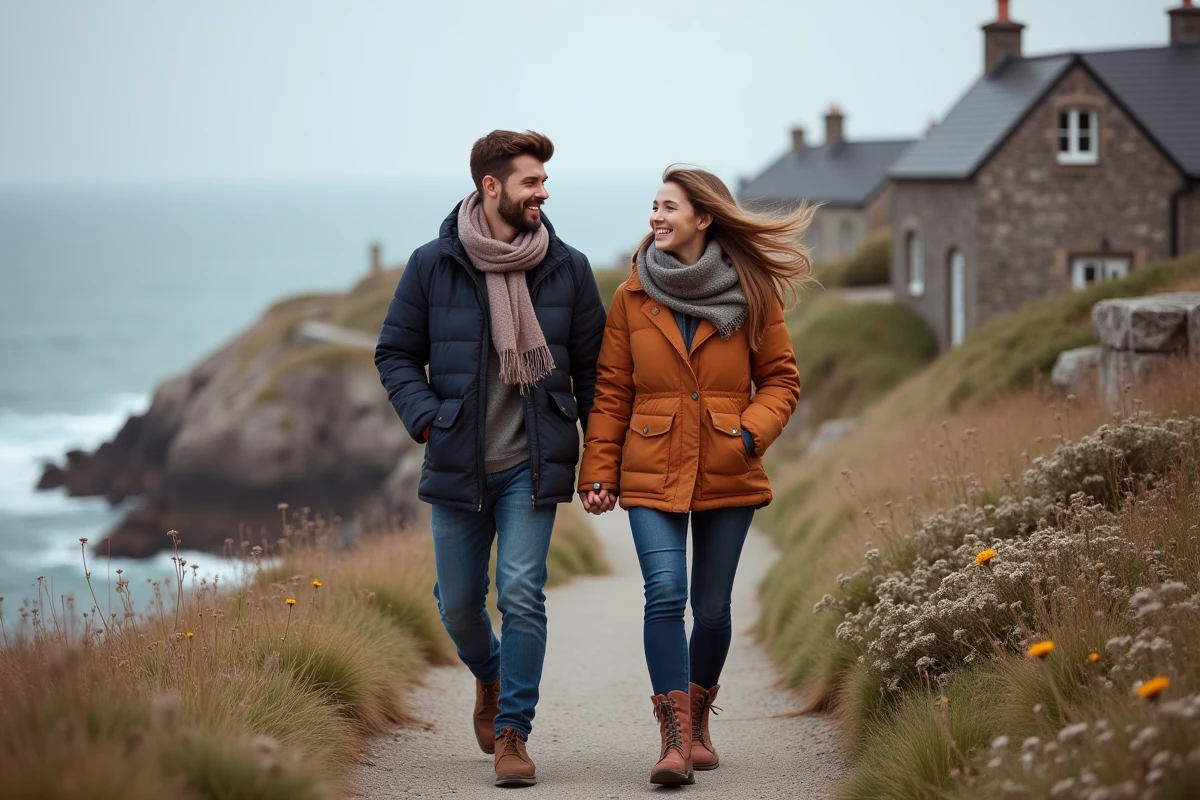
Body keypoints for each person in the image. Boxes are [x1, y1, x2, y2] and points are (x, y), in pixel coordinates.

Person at [375, 130, 607, 788]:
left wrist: (597, 461)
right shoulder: (433, 264)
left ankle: (513, 733)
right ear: (491, 187)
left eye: (544, 181)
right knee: (457, 606)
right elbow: (394, 352)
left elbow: (592, 374)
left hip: (533, 467)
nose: (543, 192)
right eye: (531, 181)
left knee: (521, 594)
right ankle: (490, 673)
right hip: (457, 464)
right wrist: (428, 417)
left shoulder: (568, 266)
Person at [577, 166, 809, 786]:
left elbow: (782, 380)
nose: (656, 216)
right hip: (650, 466)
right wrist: (597, 469)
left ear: (703, 218)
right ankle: (674, 741)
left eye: (669, 207)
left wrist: (750, 433)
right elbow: (611, 391)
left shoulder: (754, 291)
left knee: (710, 609)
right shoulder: (632, 296)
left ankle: (700, 714)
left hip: (727, 465)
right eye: (653, 205)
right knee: (665, 593)